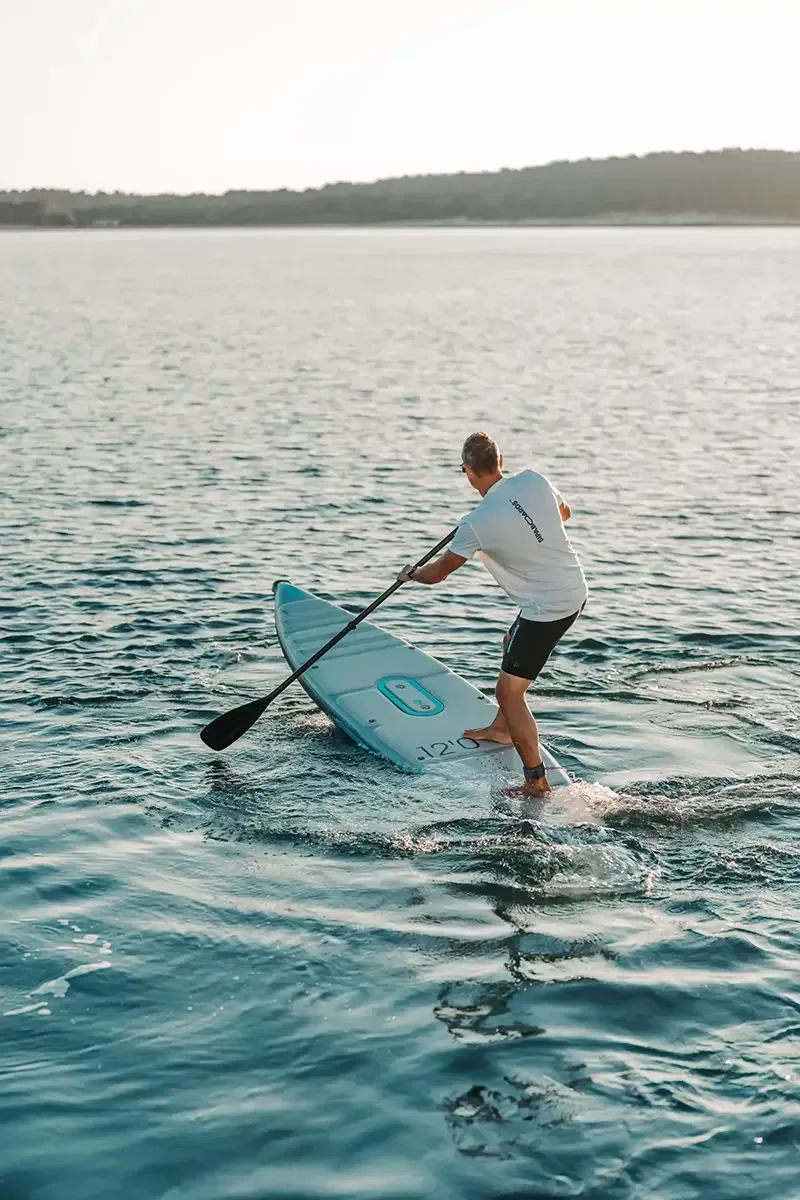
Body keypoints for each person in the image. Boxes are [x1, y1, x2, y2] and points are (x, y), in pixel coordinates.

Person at [397, 431, 587, 796]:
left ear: (467, 471)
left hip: (548, 607)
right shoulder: (534, 480)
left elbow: (437, 574)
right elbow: (565, 513)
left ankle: (536, 781)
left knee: (509, 692)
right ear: (500, 462)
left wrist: (411, 574)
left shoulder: (475, 524)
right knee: (510, 641)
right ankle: (502, 728)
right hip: (573, 589)